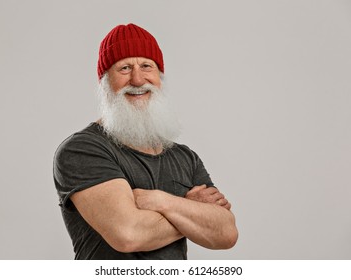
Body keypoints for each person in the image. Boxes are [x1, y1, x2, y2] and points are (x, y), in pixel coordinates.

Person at [53, 23, 238, 260]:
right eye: (125, 68)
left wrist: (163, 201)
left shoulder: (184, 157)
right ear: (105, 81)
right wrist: (192, 209)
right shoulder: (83, 150)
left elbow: (226, 233)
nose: (138, 80)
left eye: (146, 66)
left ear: (159, 77)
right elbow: (128, 234)